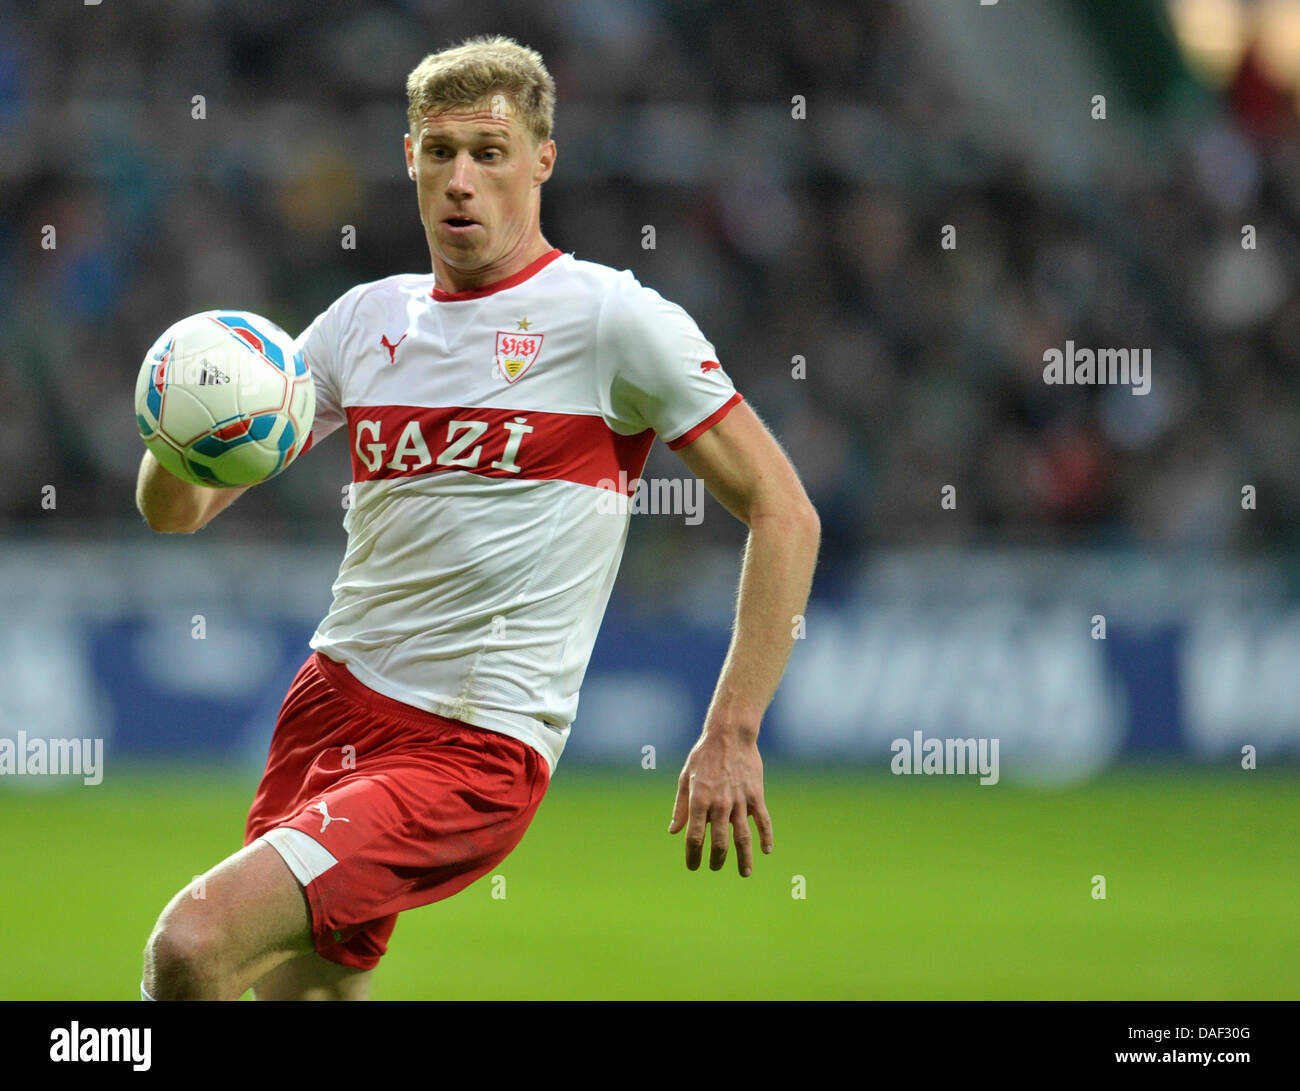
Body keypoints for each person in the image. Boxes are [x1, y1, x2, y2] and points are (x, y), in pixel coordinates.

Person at [134, 33, 819, 1001]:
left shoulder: (610, 321)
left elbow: (783, 509)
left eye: (489, 154)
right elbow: (182, 511)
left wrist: (733, 728)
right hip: (329, 705)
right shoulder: (360, 323)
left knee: (191, 944)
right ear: (407, 157)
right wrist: (176, 434)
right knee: (306, 991)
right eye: (440, 151)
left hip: (471, 746)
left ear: (542, 160)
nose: (461, 179)